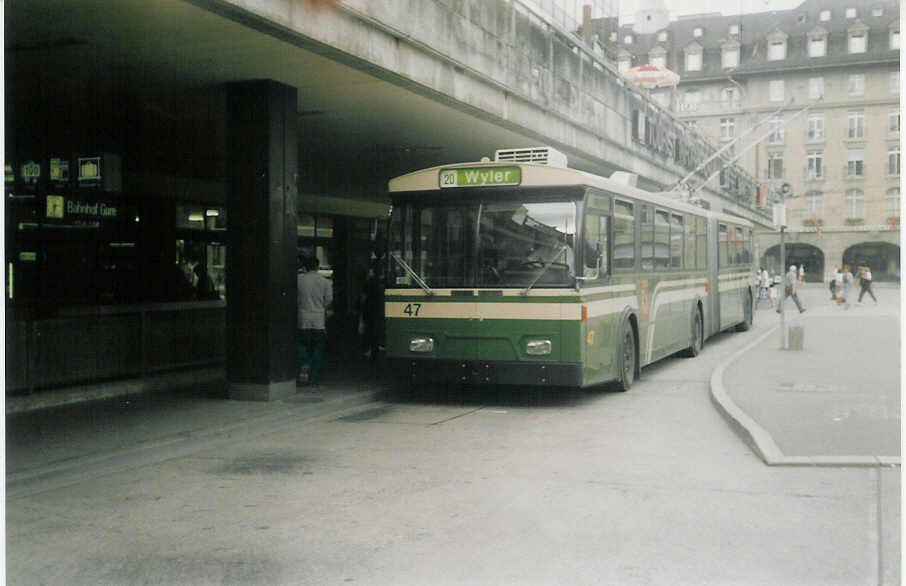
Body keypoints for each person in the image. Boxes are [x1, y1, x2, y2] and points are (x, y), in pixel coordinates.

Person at [297, 256, 332, 387]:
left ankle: (304, 364)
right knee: (318, 347)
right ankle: (313, 376)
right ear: (317, 267)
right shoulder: (325, 282)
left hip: (302, 318)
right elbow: (328, 301)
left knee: (302, 344)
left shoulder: (299, 280)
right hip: (318, 319)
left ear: (305, 266)